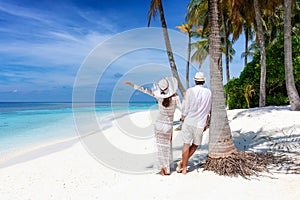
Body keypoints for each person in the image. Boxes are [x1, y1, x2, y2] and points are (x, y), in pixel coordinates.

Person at [123, 77, 182, 176]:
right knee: (167, 146)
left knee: (160, 148)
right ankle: (167, 169)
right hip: (168, 126)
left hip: (159, 124)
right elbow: (183, 109)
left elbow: (145, 91)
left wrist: (132, 85)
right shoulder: (175, 97)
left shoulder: (158, 96)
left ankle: (162, 169)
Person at [176, 72, 212, 174]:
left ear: (195, 81)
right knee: (195, 145)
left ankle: (183, 167)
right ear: (203, 81)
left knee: (186, 144)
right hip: (200, 124)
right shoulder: (208, 92)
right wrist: (207, 123)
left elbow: (185, 109)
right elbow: (209, 109)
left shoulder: (190, 91)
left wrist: (182, 119)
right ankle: (182, 164)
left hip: (189, 121)